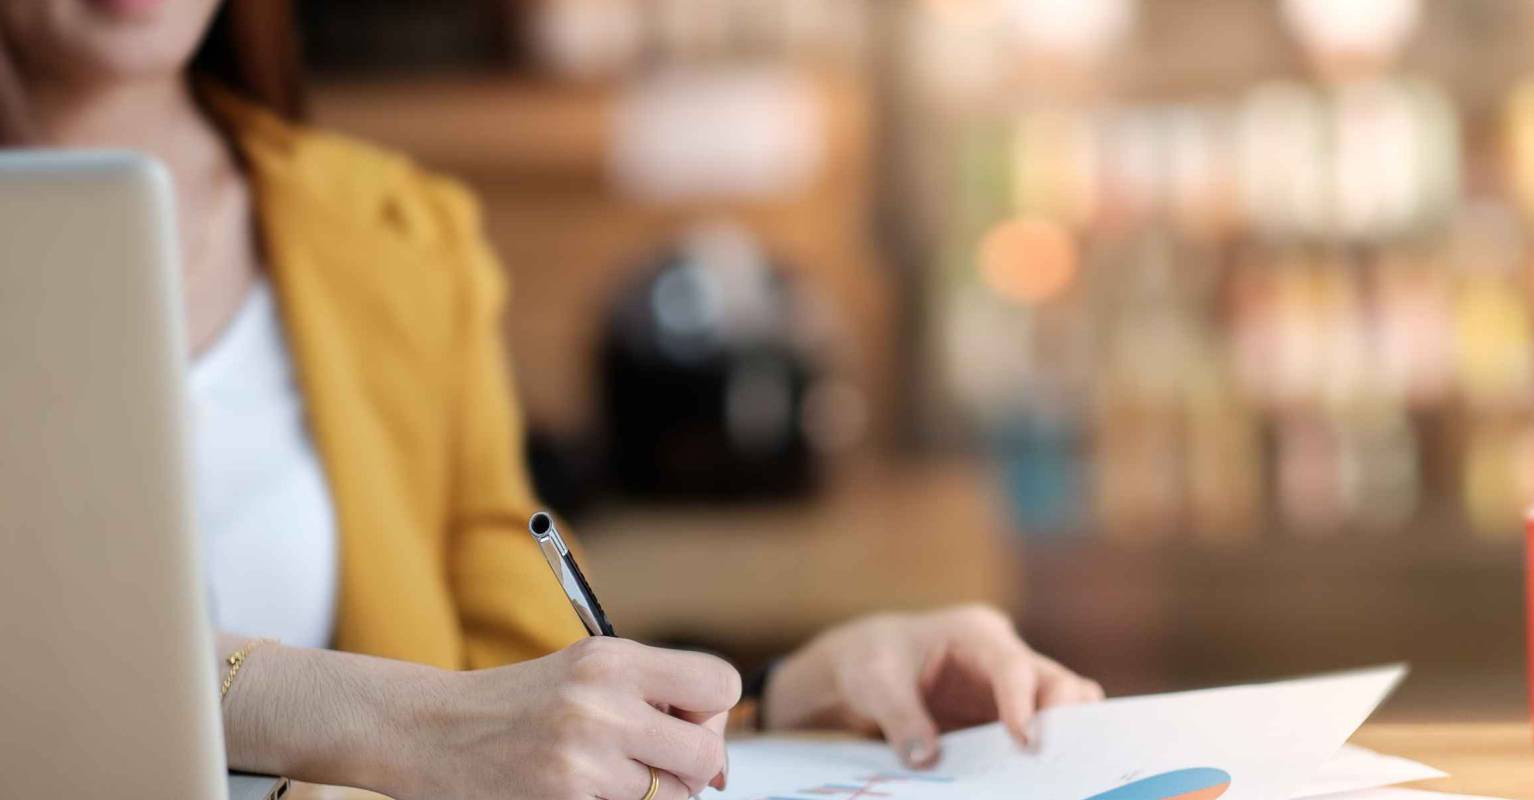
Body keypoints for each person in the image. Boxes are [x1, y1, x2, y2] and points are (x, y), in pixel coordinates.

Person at [0, 1, 1103, 798]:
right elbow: (446, 728)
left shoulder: (398, 234)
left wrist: (784, 694)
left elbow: (514, 688)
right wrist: (363, 720)